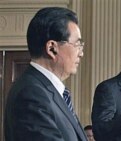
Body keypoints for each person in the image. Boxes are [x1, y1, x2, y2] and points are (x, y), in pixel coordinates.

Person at [4, 7, 87, 141]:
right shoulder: (31, 94)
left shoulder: (45, 90)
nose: (81, 53)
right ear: (52, 48)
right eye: (77, 44)